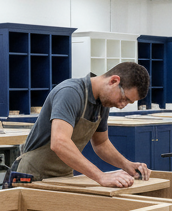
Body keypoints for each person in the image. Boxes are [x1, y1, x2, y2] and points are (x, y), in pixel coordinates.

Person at [11, 62, 152, 186]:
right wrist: (101, 176)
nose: (122, 105)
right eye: (124, 98)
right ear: (114, 81)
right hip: (32, 175)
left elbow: (101, 143)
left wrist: (127, 165)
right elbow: (59, 142)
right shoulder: (71, 93)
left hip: (63, 176)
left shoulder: (102, 104)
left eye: (128, 103)